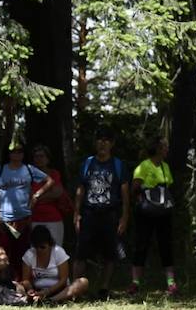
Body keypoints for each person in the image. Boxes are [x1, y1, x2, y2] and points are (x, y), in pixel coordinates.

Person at [72, 127, 131, 299]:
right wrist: (76, 213)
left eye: (106, 140)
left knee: (110, 253)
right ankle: (75, 288)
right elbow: (80, 189)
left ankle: (104, 289)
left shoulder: (118, 165)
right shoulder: (87, 163)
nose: (102, 143)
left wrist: (124, 216)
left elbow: (125, 193)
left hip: (110, 214)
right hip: (89, 213)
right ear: (95, 142)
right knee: (81, 252)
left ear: (112, 143)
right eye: (99, 139)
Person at [0, 138, 53, 280]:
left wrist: (36, 195)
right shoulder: (0, 170)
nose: (16, 154)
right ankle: (2, 282)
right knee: (2, 253)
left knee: (22, 253)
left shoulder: (29, 169)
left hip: (23, 218)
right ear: (8, 153)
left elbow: (49, 181)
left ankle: (21, 283)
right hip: (4, 218)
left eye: (20, 151)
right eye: (13, 151)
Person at [128, 136, 177, 296]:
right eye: (164, 147)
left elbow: (168, 186)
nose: (167, 150)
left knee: (166, 246)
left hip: (163, 214)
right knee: (141, 246)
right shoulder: (144, 166)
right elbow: (134, 187)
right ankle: (135, 283)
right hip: (145, 214)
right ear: (157, 149)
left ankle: (171, 283)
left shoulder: (165, 167)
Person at [19, 225, 88, 304]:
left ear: (49, 244)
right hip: (38, 290)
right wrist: (30, 290)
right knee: (18, 286)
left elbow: (63, 279)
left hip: (60, 290)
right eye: (36, 247)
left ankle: (51, 300)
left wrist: (47, 292)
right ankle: (39, 299)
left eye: (42, 247)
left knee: (83, 282)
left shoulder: (58, 252)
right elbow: (26, 280)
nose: (39, 250)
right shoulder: (29, 254)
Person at [30, 144, 67, 246]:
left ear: (48, 159)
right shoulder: (29, 176)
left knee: (56, 251)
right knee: (36, 252)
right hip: (35, 219)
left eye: (42, 156)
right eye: (36, 156)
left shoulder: (54, 173)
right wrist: (48, 195)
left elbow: (58, 192)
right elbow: (26, 196)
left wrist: (36, 197)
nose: (39, 159)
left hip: (53, 219)